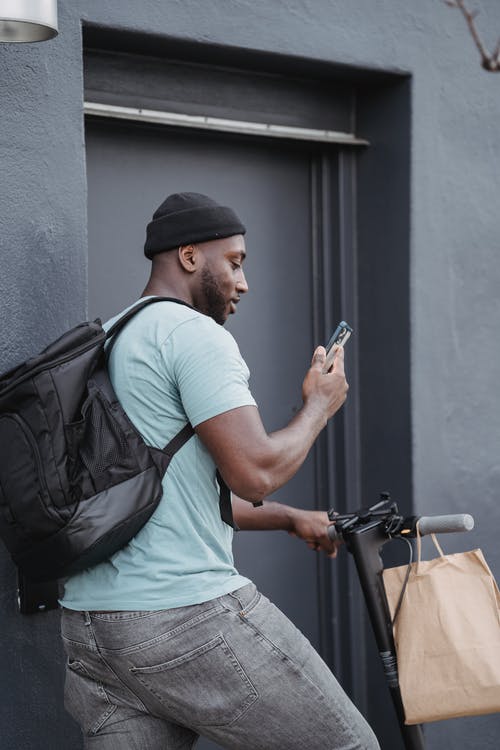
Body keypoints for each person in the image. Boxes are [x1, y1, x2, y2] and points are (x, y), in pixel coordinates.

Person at [60, 192, 380, 750]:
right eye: (234, 262)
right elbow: (254, 474)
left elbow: (160, 496)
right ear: (189, 257)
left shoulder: (111, 340)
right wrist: (319, 407)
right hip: (183, 617)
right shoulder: (195, 336)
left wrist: (287, 519)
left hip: (93, 632)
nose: (243, 282)